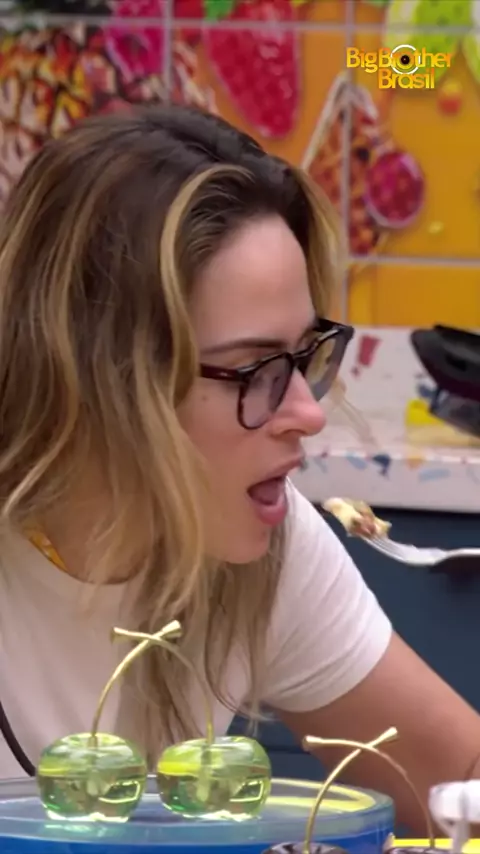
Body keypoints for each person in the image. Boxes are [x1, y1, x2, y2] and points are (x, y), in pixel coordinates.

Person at [0, 105, 478, 832]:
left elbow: (458, 779)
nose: (308, 413)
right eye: (254, 370)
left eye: (305, 357)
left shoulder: (263, 546)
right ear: (98, 381)